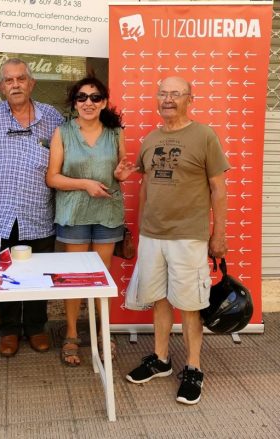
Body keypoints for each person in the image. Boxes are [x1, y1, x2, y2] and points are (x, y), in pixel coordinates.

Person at [126, 76, 230, 405]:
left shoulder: (204, 136)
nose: (168, 99)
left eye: (176, 93)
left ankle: (193, 367)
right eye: (163, 93)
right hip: (152, 236)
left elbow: (218, 188)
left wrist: (219, 233)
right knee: (158, 299)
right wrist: (140, 229)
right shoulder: (151, 138)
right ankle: (161, 359)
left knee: (189, 305)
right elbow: (145, 185)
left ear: (190, 99)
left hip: (188, 237)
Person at [46, 75, 137, 366]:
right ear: (74, 103)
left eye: (95, 97)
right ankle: (71, 333)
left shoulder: (115, 133)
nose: (88, 102)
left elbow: (120, 171)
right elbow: (52, 178)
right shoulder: (63, 132)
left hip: (107, 212)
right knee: (74, 276)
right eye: (82, 97)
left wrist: (122, 173)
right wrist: (85, 184)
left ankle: (103, 331)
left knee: (102, 276)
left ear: (104, 102)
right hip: (73, 213)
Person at [0, 58, 64, 357]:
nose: (15, 85)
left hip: (38, 211)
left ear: (31, 83)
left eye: (21, 79)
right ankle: (8, 330)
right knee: (3, 274)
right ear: (1, 86)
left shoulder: (52, 117)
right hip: (0, 213)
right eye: (9, 80)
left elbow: (77, 141)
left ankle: (36, 327)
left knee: (37, 273)